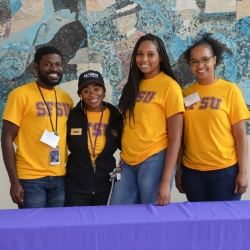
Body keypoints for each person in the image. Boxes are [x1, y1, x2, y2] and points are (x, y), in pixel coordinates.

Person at [110, 33, 184, 206]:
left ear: (160, 58)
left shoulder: (170, 86)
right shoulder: (133, 84)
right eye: (139, 54)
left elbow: (175, 138)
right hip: (127, 161)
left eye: (150, 54)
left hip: (154, 159)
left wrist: (166, 182)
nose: (144, 59)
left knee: (152, 217)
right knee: (117, 216)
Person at [175, 33, 249, 201]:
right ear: (190, 65)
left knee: (225, 225)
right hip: (192, 173)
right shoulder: (184, 94)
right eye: (194, 62)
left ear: (214, 60)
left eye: (205, 59)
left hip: (225, 172)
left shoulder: (230, 91)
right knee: (199, 224)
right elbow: (180, 139)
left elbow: (240, 137)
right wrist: (178, 172)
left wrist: (243, 173)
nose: (200, 65)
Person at [1, 46, 73, 208]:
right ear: (36, 66)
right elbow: (6, 139)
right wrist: (14, 182)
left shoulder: (66, 99)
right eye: (48, 64)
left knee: (57, 228)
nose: (54, 68)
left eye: (58, 64)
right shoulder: (19, 95)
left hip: (60, 176)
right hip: (30, 179)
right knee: (33, 230)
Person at [65, 70, 122, 206]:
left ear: (104, 90)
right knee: (77, 226)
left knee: (103, 225)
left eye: (96, 89)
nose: (92, 95)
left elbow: (126, 145)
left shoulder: (116, 117)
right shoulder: (71, 116)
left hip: (106, 185)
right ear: (80, 94)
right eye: (86, 91)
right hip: (75, 187)